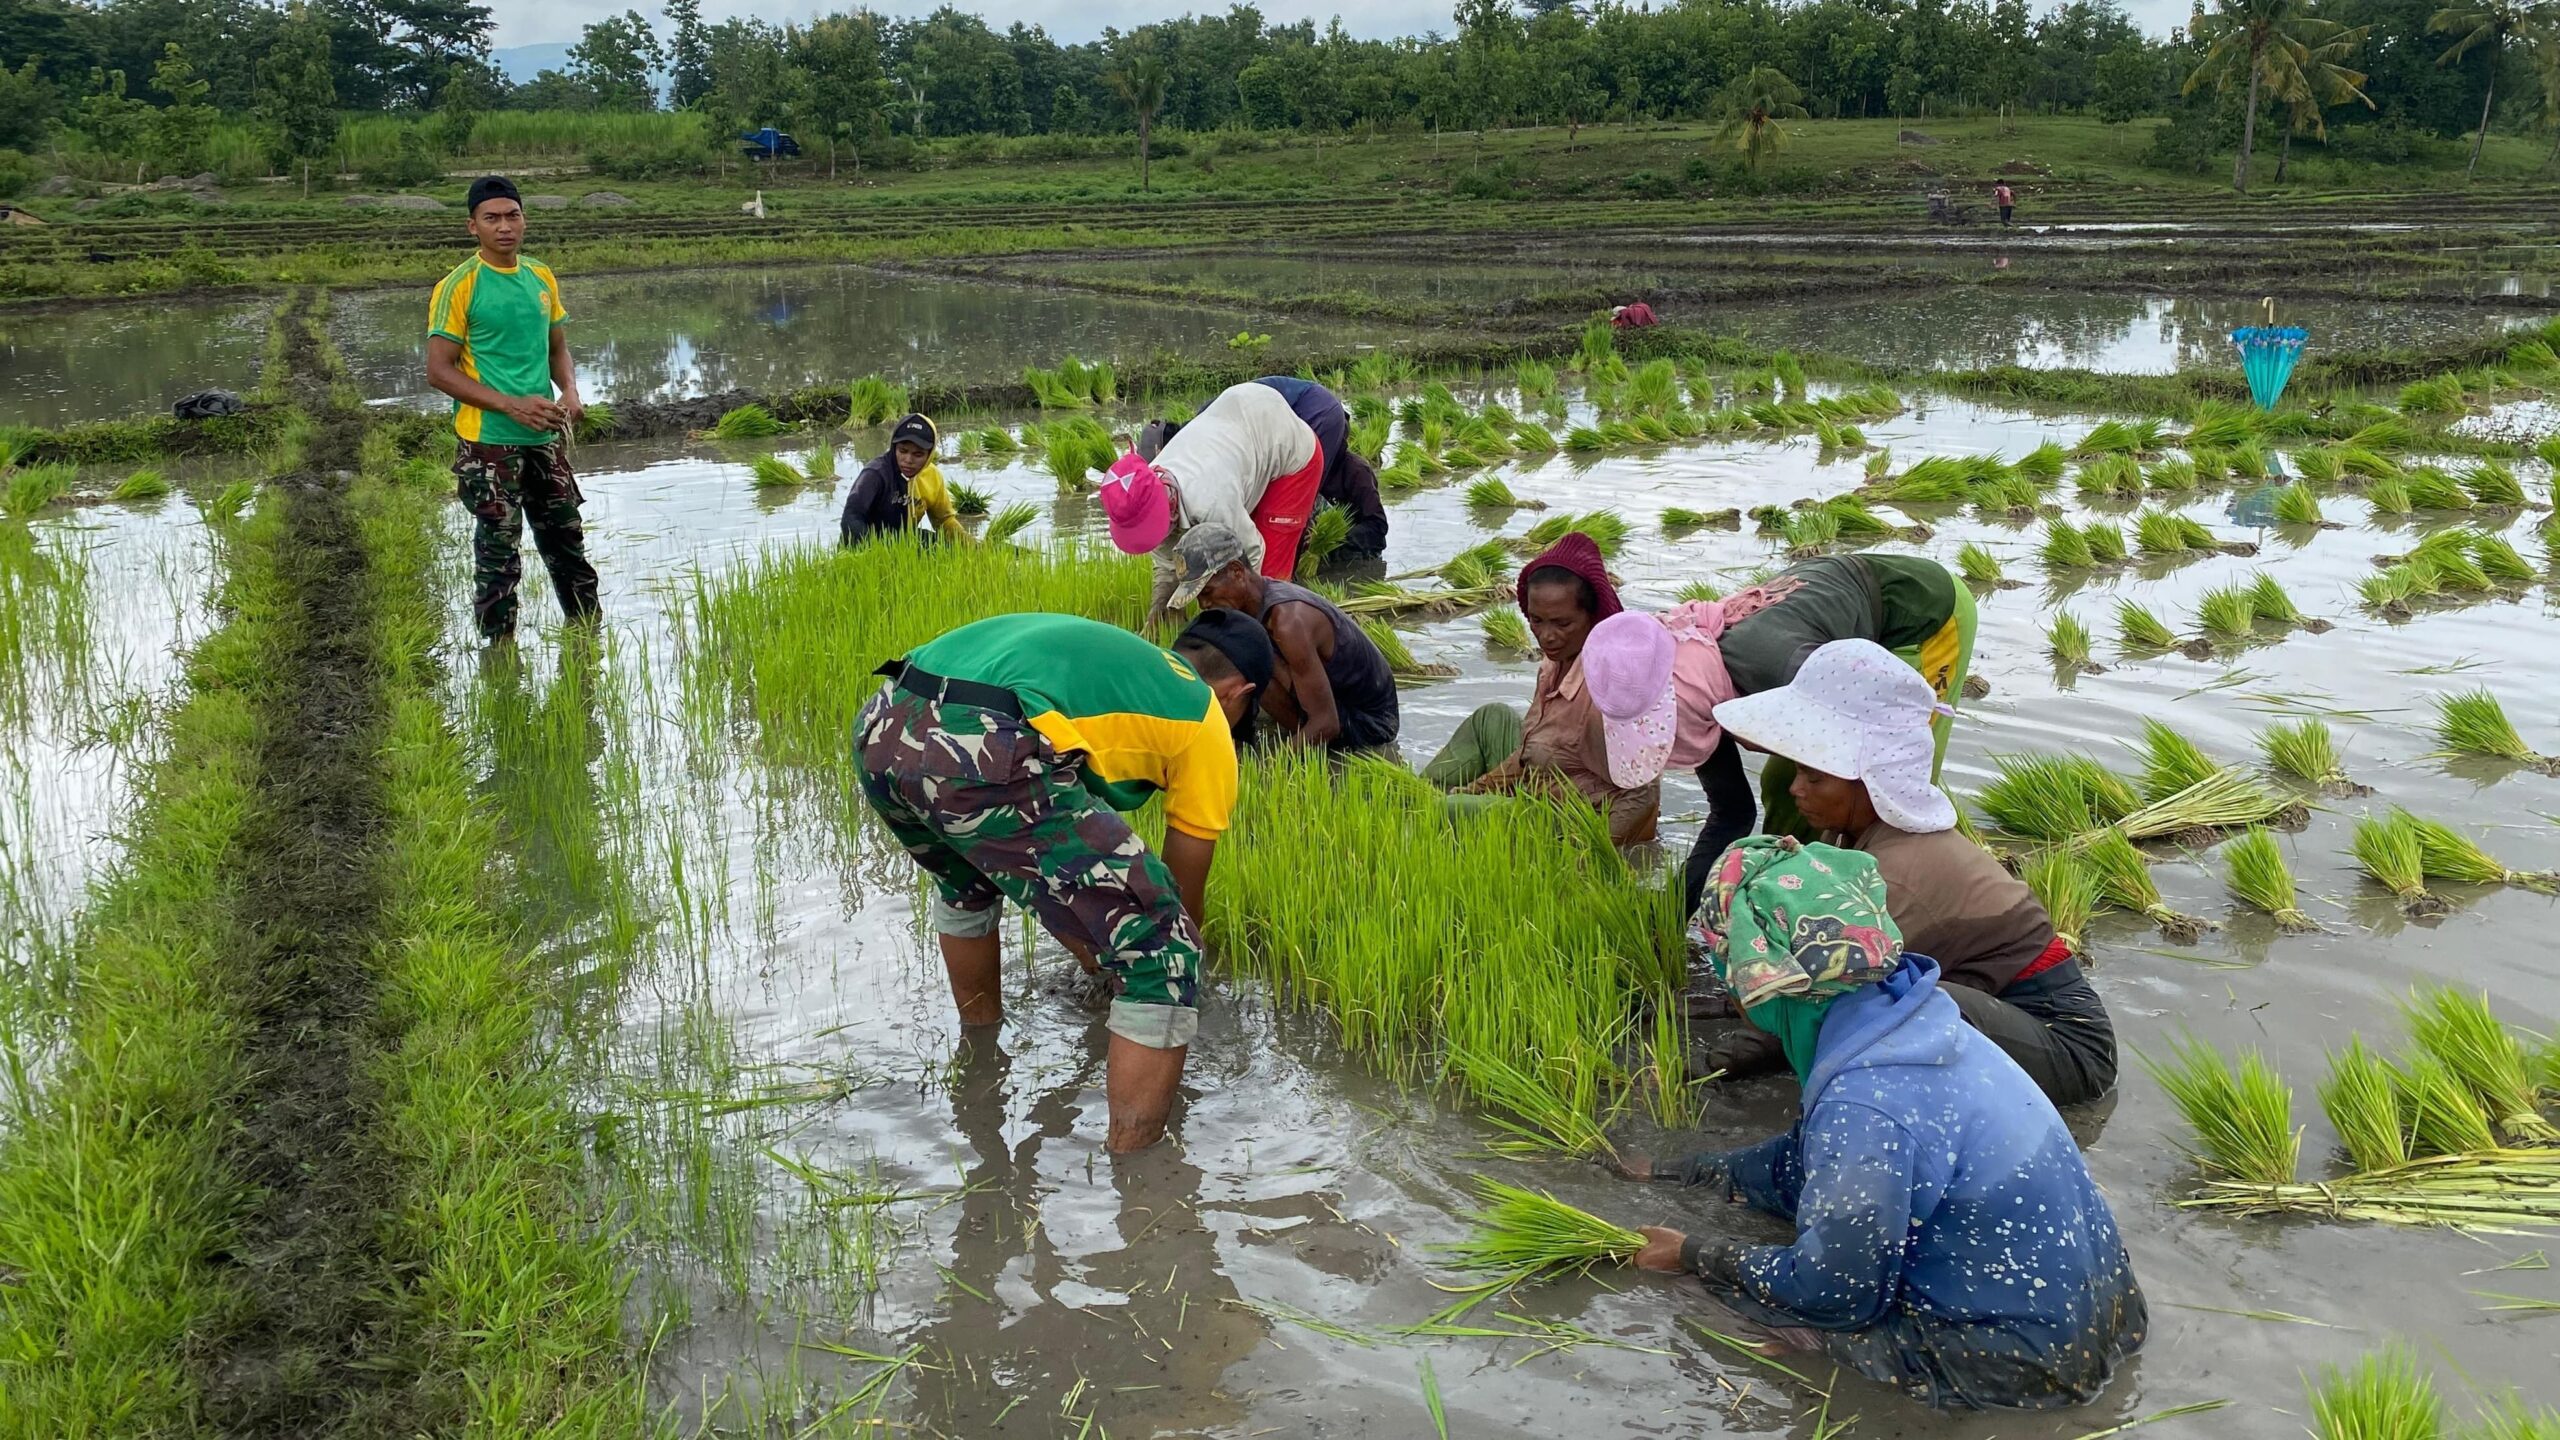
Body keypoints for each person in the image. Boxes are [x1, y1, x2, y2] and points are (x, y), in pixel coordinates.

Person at [1610, 835, 2148, 1411]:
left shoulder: (1863, 1104)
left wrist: (1693, 1254)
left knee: (1707, 1302)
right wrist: (1683, 1172)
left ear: (1760, 981)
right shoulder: (1920, 1026)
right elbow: (1803, 1164)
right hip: (2110, 1319)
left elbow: (1836, 1291)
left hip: (2009, 1367)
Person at [857, 610, 1272, 1152]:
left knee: (969, 884)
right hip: (978, 741)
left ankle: (981, 1059)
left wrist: (1096, 957)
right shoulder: (1205, 716)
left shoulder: (1128, 672)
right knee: (1163, 949)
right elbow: (1182, 899)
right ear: (1239, 693)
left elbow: (1056, 865)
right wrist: (1170, 980)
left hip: (884, 721)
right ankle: (1140, 1179)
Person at [1679, 640, 2115, 1106]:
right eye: (1799, 772)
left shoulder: (1896, 874)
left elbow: (1818, 997)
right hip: (1989, 1006)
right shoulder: (1853, 839)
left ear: (1871, 781)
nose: (1796, 789)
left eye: (1815, 777)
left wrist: (1705, 1068)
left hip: (2065, 1045)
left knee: (1875, 1003)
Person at [1583, 552, 1974, 913]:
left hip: (1920, 615)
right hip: (1824, 615)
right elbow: (1733, 812)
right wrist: (1668, 917)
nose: (1672, 739)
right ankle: (1782, 896)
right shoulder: (1692, 691)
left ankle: (1892, 909)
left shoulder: (1779, 666)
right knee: (1788, 787)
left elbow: (1874, 716)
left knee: (1884, 794)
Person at [426, 174, 598, 644]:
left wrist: (570, 391)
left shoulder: (540, 275)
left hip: (544, 436)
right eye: (492, 218)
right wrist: (512, 406)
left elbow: (557, 347)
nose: (504, 226)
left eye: (512, 216)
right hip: (489, 443)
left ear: (524, 220)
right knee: (499, 555)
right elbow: (438, 371)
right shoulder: (459, 286)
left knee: (567, 543)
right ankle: (498, 655)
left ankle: (588, 641)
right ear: (473, 226)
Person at [1422, 533, 1658, 846]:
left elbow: (1644, 792)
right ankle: (1415, 799)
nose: (1546, 636)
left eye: (1562, 623)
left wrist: (1593, 853)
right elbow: (1530, 755)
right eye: (1536, 620)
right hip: (1543, 781)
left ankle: (1436, 814)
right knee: (1492, 718)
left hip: (1572, 820)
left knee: (1452, 810)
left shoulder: (1609, 691)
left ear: (1592, 617)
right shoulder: (1554, 664)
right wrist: (1476, 789)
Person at [1103, 381, 1326, 628]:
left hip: (1287, 450)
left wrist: (1247, 625)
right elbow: (1170, 565)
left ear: (1167, 509)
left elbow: (1252, 553)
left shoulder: (1211, 501)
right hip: (1239, 436)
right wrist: (1160, 613)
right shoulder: (1145, 490)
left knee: (1268, 582)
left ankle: (1281, 635)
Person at [1168, 523, 1399, 751]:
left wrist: (1273, 765)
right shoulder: (1251, 607)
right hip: (1331, 701)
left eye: (1208, 592)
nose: (1204, 604)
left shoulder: (1288, 623)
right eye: (1198, 597)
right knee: (1244, 658)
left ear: (1237, 572)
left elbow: (1326, 723)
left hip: (1369, 722)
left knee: (1252, 666)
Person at [1141, 376, 1390, 561]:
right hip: (1287, 421)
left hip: (1311, 412)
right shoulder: (1200, 442)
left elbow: (1377, 529)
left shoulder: (1356, 474)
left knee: (1286, 517)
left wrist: (1321, 542)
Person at [840, 412, 967, 547]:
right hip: (868, 542)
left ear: (929, 454)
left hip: (904, 540)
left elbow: (944, 521)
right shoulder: (875, 474)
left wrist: (971, 546)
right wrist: (875, 551)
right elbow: (851, 518)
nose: (908, 460)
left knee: (940, 545)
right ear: (894, 447)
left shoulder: (932, 476)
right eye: (903, 451)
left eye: (918, 454)